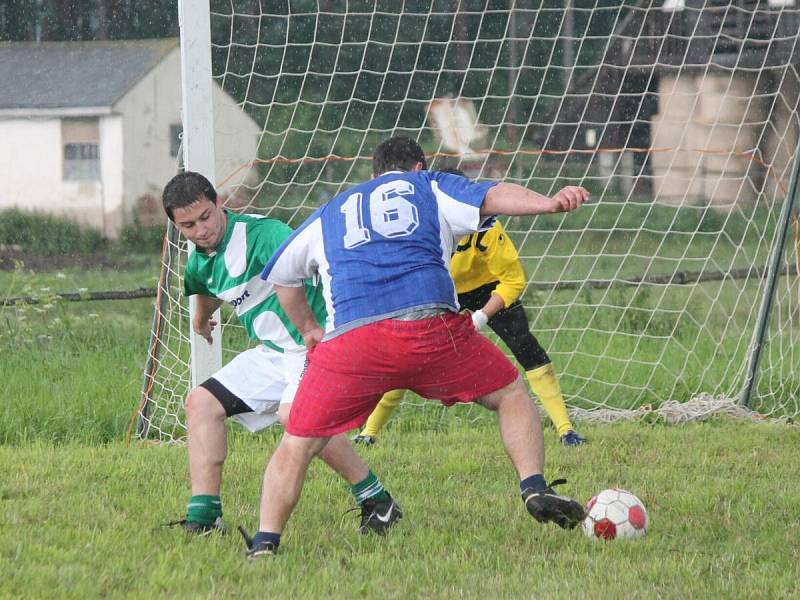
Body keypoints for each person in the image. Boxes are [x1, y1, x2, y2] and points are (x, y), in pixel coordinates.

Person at [250, 136, 590, 558]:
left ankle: (265, 542)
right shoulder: (427, 184)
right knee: (510, 393)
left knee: (298, 442)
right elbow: (492, 196)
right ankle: (533, 488)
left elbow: (284, 276)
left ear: (373, 175)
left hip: (353, 343)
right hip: (429, 330)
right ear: (417, 167)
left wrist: (308, 330)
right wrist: (549, 203)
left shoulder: (332, 210)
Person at [160, 171, 401, 537]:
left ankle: (376, 501)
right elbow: (205, 289)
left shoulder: (265, 234)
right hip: (273, 353)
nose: (201, 230)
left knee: (296, 418)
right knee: (200, 403)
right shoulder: (199, 261)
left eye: (206, 216)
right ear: (178, 227)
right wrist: (200, 319)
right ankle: (206, 518)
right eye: (188, 225)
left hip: (315, 344)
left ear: (220, 203)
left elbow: (317, 259)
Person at [353, 169, 586, 447]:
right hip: (441, 290)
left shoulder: (486, 227)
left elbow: (513, 280)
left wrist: (482, 316)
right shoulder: (419, 227)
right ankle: (369, 433)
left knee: (527, 348)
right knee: (408, 355)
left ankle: (565, 429)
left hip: (488, 288)